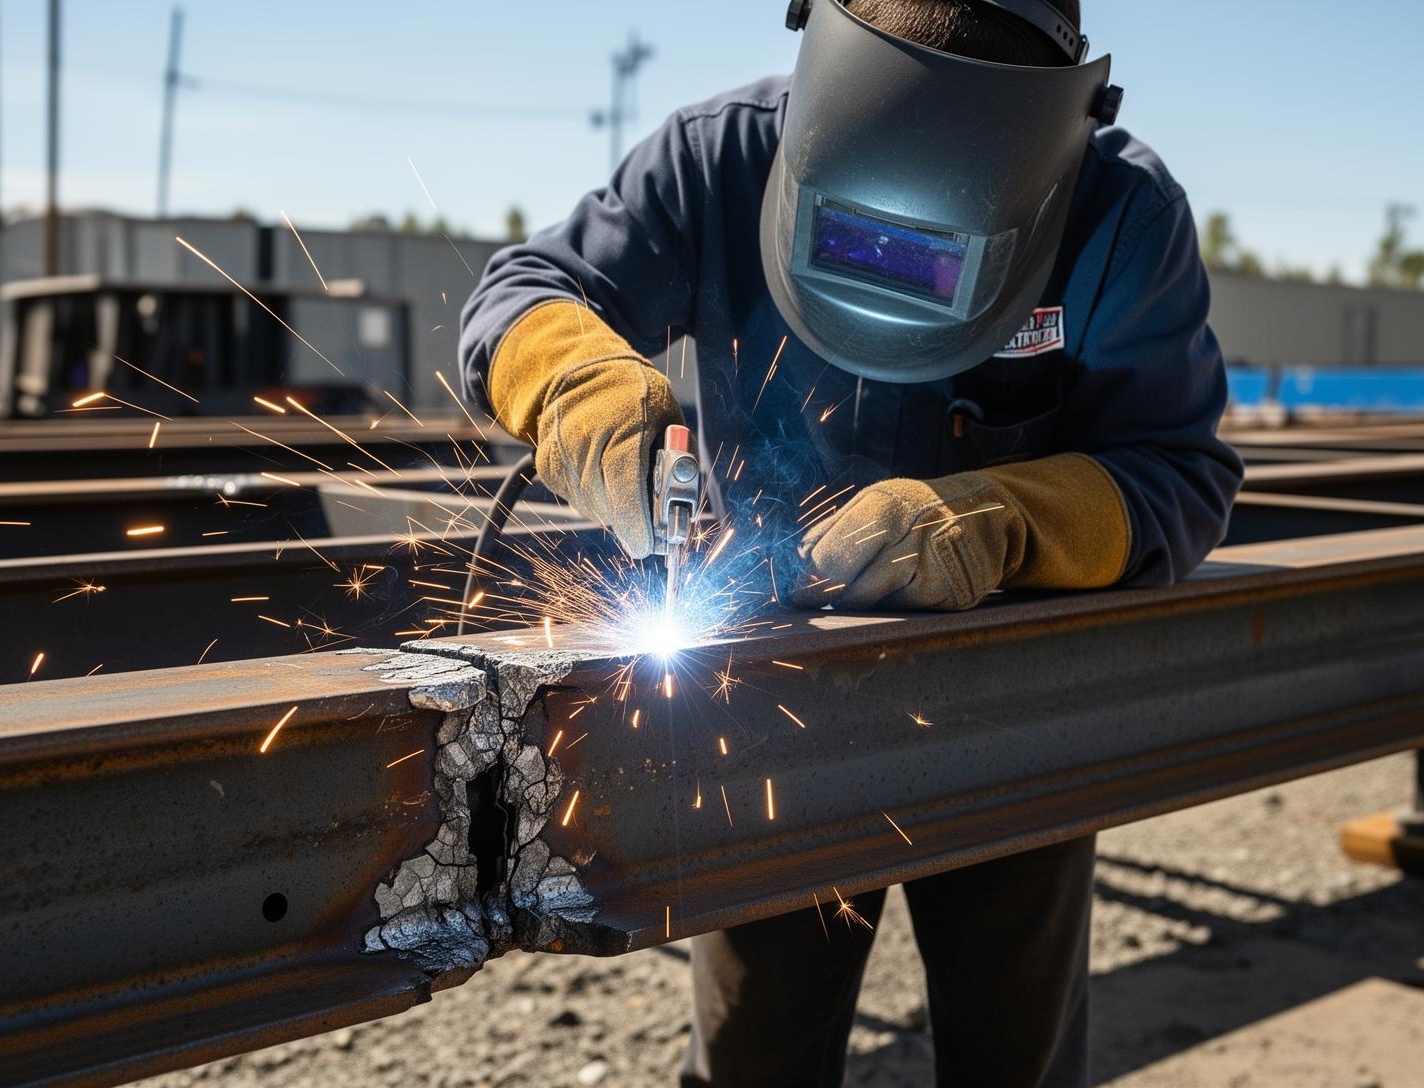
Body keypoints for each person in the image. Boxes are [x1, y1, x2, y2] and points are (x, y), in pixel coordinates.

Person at [458, 1, 1243, 1083]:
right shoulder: (719, 157)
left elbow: (1181, 470)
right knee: (755, 1053)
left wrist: (1007, 521)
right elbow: (521, 294)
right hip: (765, 711)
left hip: (1013, 710)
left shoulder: (1118, 211)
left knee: (1016, 1054)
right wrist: (584, 392)